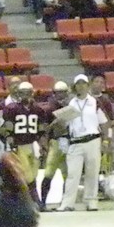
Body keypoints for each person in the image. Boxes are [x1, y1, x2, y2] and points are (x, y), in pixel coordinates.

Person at [57, 74, 109, 212]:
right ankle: (68, 203)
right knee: (73, 174)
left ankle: (91, 201)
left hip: (92, 140)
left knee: (92, 173)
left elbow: (104, 122)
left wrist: (105, 140)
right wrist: (61, 121)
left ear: (87, 85)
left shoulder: (95, 102)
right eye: (78, 84)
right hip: (76, 141)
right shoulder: (70, 103)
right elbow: (64, 125)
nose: (81, 86)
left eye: (83, 83)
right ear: (75, 87)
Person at [0, 82, 46, 205]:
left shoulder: (38, 110)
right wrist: (12, 144)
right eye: (22, 93)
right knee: (28, 175)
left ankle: (28, 201)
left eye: (27, 93)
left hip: (33, 144)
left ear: (32, 93)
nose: (25, 95)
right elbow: (9, 130)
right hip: (19, 145)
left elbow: (41, 130)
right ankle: (36, 201)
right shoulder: (12, 109)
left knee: (33, 174)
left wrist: (42, 145)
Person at [39, 81, 71, 210]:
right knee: (49, 172)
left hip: (68, 141)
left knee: (68, 174)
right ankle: (43, 202)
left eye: (63, 92)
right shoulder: (49, 109)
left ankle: (65, 202)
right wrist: (44, 144)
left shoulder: (71, 106)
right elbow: (44, 129)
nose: (61, 95)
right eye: (59, 92)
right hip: (56, 141)